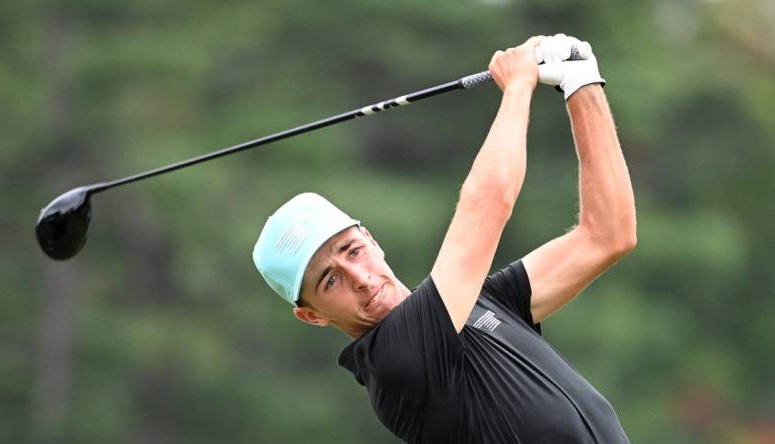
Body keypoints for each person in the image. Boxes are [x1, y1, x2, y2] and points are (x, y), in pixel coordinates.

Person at [253, 34, 636, 443]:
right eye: (330, 280)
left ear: (371, 238)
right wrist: (518, 86)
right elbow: (487, 206)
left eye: (353, 251)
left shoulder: (477, 302)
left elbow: (608, 235)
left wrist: (581, 83)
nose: (359, 278)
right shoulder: (395, 362)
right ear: (312, 315)